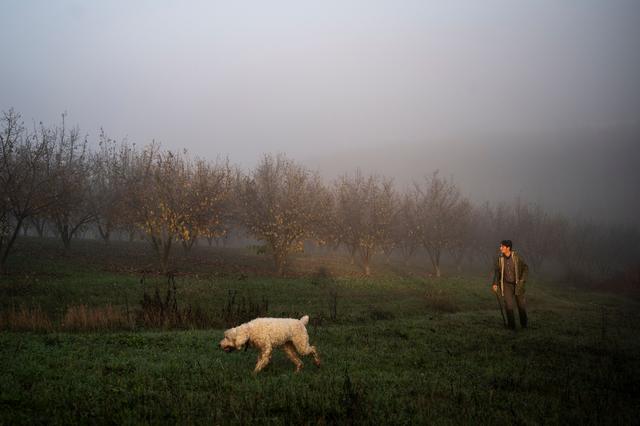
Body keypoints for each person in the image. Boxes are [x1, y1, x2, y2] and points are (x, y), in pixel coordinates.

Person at [492, 240, 529, 329]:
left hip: (517, 284)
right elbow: (497, 272)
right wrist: (495, 283)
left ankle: (524, 325)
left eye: (502, 246)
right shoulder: (500, 258)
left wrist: (522, 280)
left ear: (508, 248)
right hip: (506, 284)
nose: (500, 248)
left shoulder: (517, 257)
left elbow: (525, 268)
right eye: (500, 246)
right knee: (508, 305)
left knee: (521, 306)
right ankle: (511, 326)